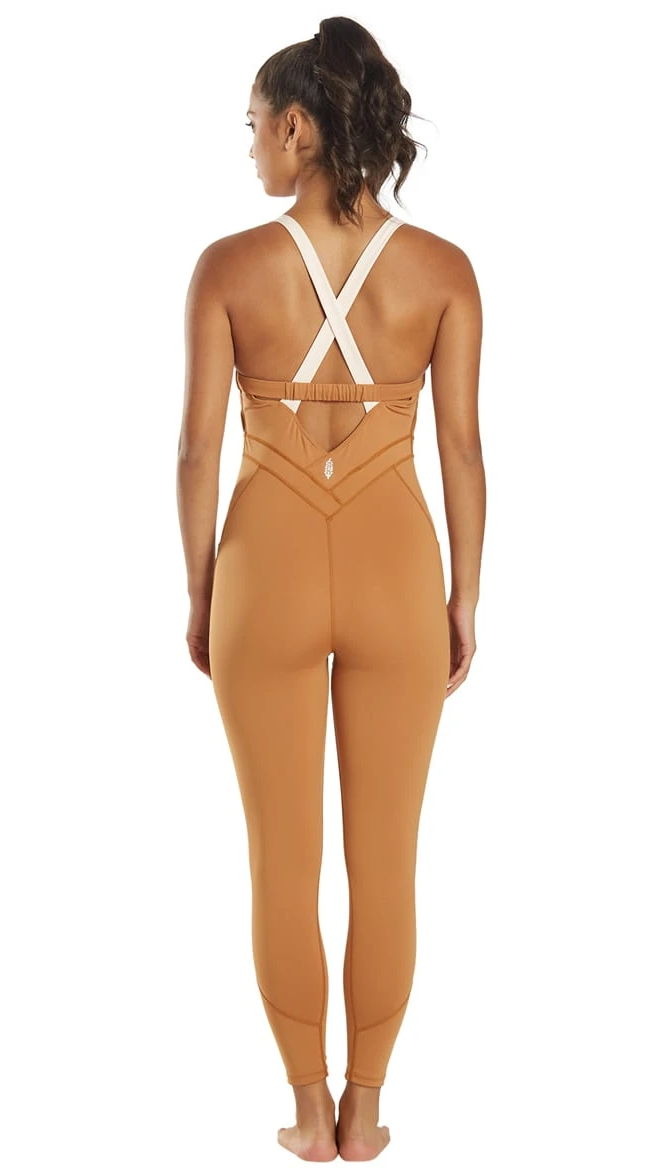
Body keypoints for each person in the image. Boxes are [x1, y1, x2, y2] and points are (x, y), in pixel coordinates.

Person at [177, 16, 484, 1162]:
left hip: (264, 571)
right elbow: (462, 451)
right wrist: (463, 600)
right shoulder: (445, 272)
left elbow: (197, 453)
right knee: (387, 855)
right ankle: (367, 1107)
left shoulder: (228, 268)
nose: (251, 144)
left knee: (283, 855)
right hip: (401, 570)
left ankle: (307, 1109)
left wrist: (204, 593)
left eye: (256, 124)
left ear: (299, 126)